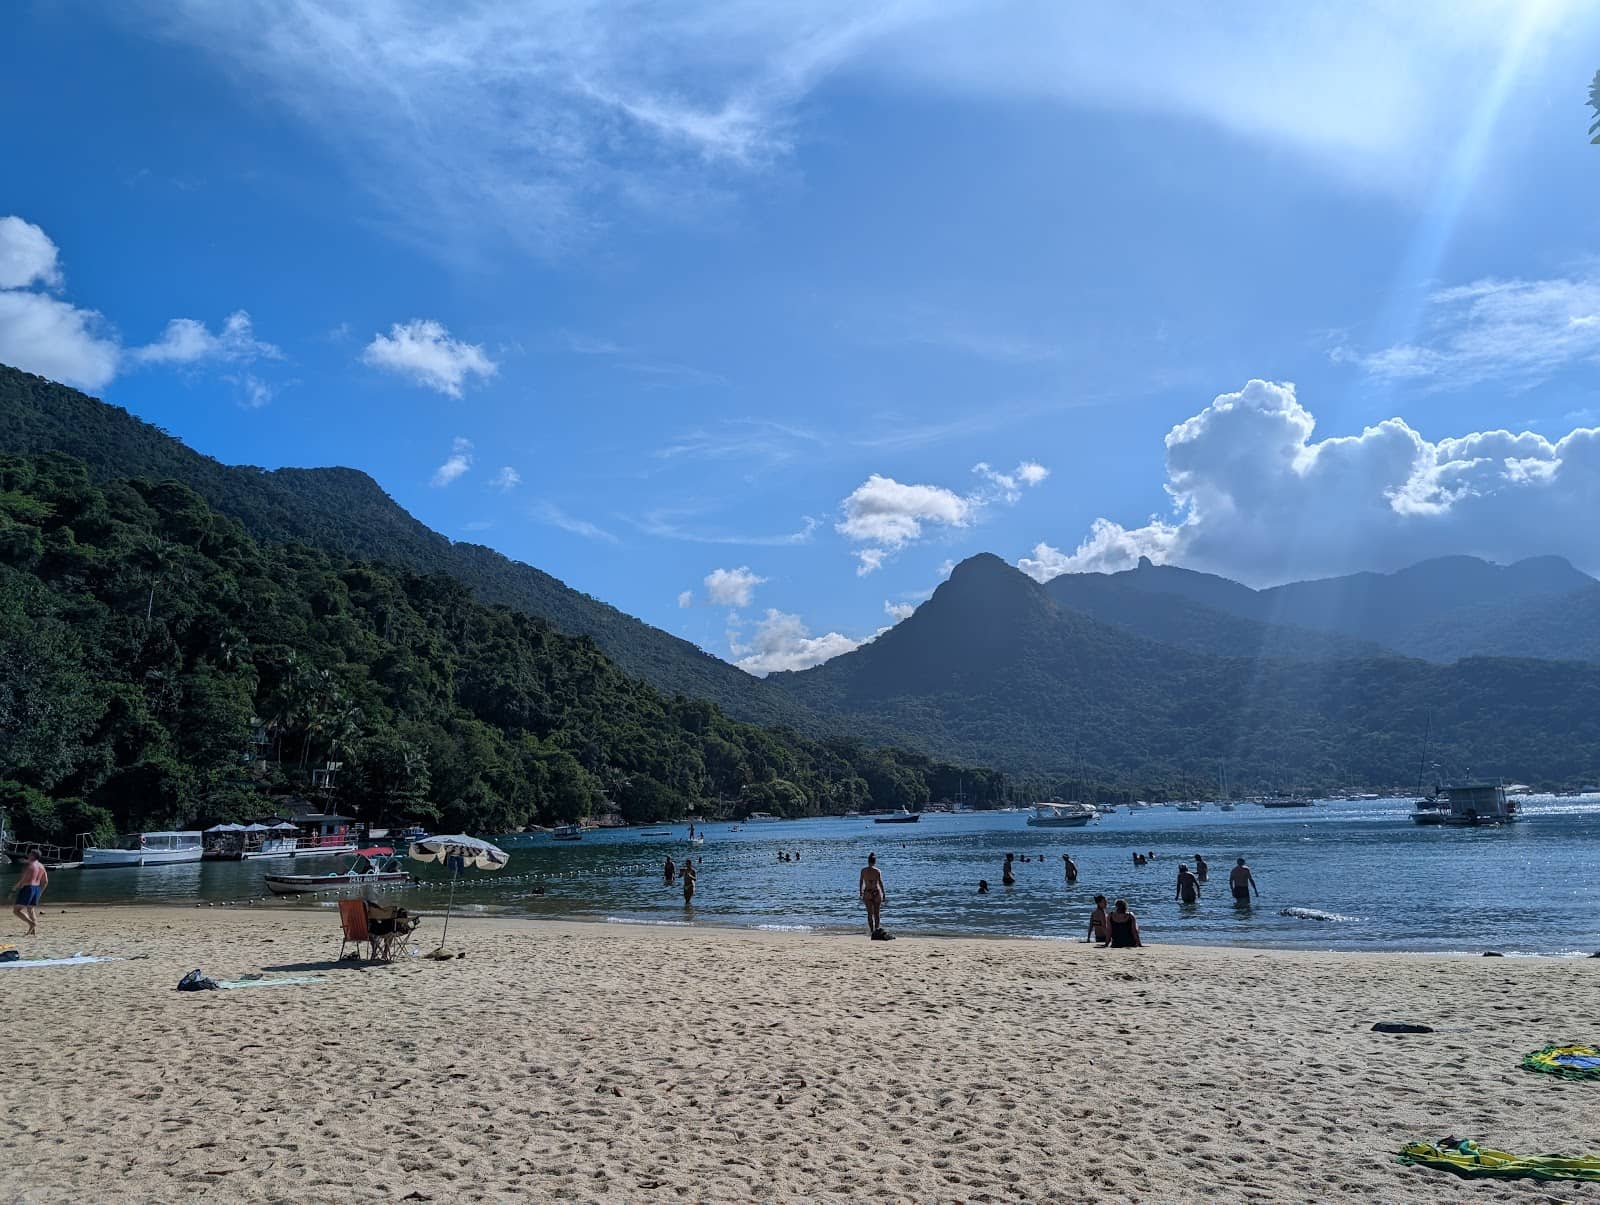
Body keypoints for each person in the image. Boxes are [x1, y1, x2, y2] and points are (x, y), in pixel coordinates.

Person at [12, 852, 46, 936]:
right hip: (37, 888)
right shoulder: (41, 866)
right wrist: (40, 892)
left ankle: (31, 923)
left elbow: (23, 879)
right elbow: (45, 881)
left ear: (33, 856)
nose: (28, 856)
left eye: (30, 854)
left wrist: (15, 888)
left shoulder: (30, 866)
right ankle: (33, 931)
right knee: (30, 909)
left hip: (28, 888)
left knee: (16, 911)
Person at [859, 853, 886, 935]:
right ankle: (877, 930)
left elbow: (861, 881)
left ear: (868, 861)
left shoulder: (863, 870)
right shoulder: (877, 871)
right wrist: (883, 893)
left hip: (867, 892)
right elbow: (880, 882)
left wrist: (860, 891)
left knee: (870, 913)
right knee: (877, 913)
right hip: (876, 892)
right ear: (875, 862)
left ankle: (871, 930)